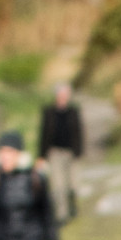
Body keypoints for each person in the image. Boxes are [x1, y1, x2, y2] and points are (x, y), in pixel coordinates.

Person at [38, 83, 85, 225]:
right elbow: (43, 134)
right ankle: (62, 215)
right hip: (55, 153)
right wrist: (41, 155)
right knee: (58, 186)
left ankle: (72, 206)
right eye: (61, 95)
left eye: (66, 95)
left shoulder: (73, 112)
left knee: (72, 186)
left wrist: (79, 152)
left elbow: (79, 132)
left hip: (71, 153)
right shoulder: (49, 112)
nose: (63, 98)